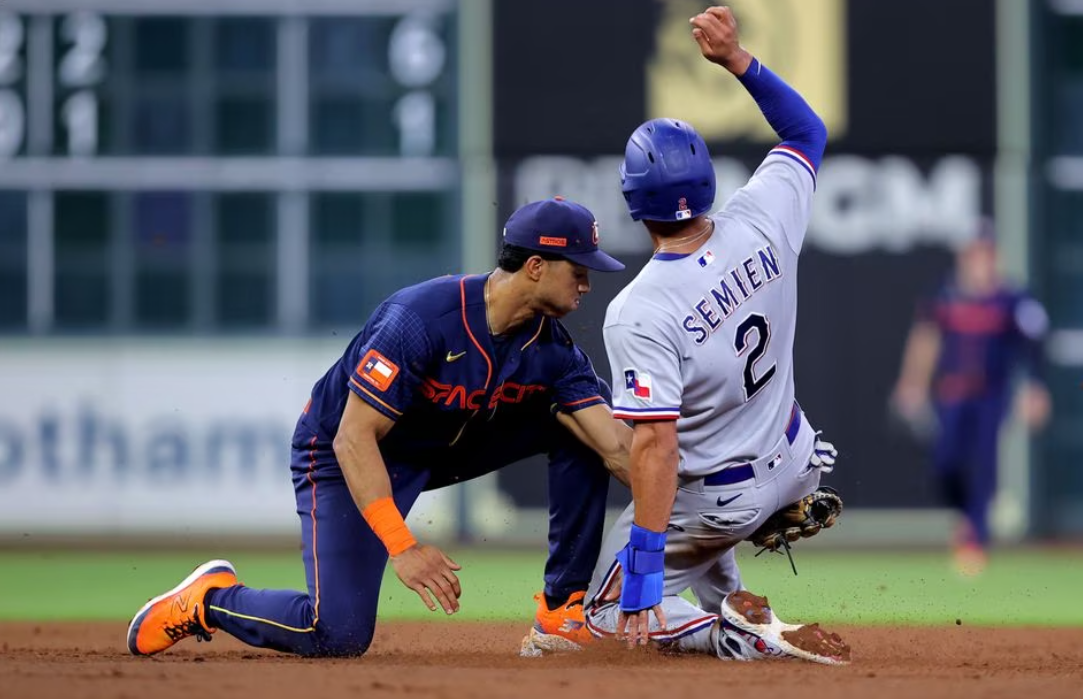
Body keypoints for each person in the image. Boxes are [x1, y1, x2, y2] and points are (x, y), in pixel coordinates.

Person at [126, 197, 632, 658]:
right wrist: (403, 545)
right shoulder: (421, 319)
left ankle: (561, 611)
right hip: (341, 452)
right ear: (536, 267)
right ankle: (209, 602)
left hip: (441, 446)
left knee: (581, 431)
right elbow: (353, 436)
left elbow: (617, 450)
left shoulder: (554, 352)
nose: (587, 283)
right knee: (336, 634)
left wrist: (693, 514)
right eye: (579, 269)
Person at [554, 6, 850, 664]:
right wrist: (735, 59)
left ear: (634, 205)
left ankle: (731, 632)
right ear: (708, 180)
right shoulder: (762, 214)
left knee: (603, 613)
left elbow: (654, 450)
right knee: (698, 489)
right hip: (797, 455)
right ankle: (735, 599)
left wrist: (643, 573)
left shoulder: (640, 308)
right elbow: (805, 129)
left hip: (721, 494)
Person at [891, 221, 1050, 576]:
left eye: (986, 254)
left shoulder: (1012, 299)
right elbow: (926, 338)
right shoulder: (945, 294)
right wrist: (912, 383)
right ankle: (966, 518)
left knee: (983, 465)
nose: (980, 262)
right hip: (952, 392)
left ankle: (975, 540)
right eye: (974, 254)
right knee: (945, 463)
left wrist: (1036, 388)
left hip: (991, 394)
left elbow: (1034, 343)